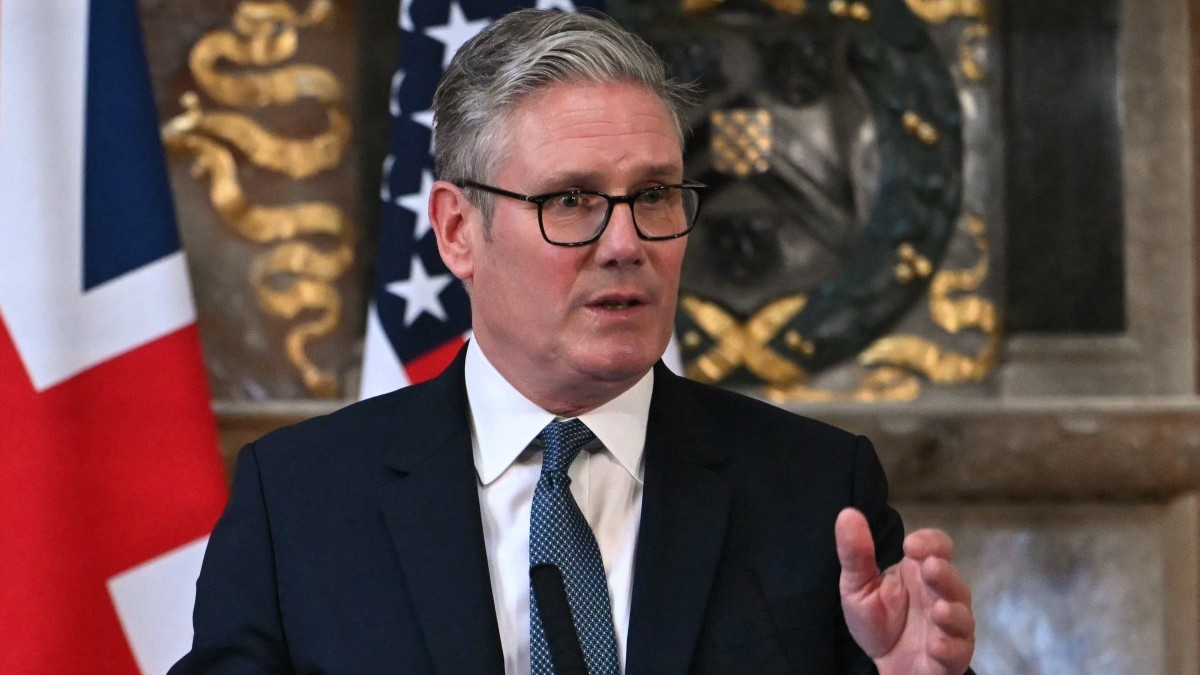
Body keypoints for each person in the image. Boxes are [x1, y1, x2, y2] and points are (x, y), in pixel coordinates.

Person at [172, 9, 975, 675]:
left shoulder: (815, 489)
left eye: (654, 194)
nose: (627, 242)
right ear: (458, 231)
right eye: (571, 199)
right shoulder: (301, 501)